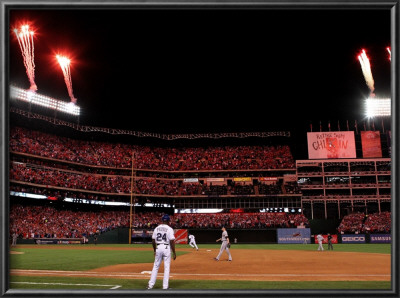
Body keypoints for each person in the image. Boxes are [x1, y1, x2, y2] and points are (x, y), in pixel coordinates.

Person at [147, 214, 177, 290]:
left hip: (158, 247)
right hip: (166, 247)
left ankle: (150, 285)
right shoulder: (169, 229)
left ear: (162, 220)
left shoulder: (157, 228)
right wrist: (174, 252)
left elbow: (153, 240)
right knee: (166, 267)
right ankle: (165, 286)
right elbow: (172, 241)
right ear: (168, 221)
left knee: (156, 266)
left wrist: (154, 250)